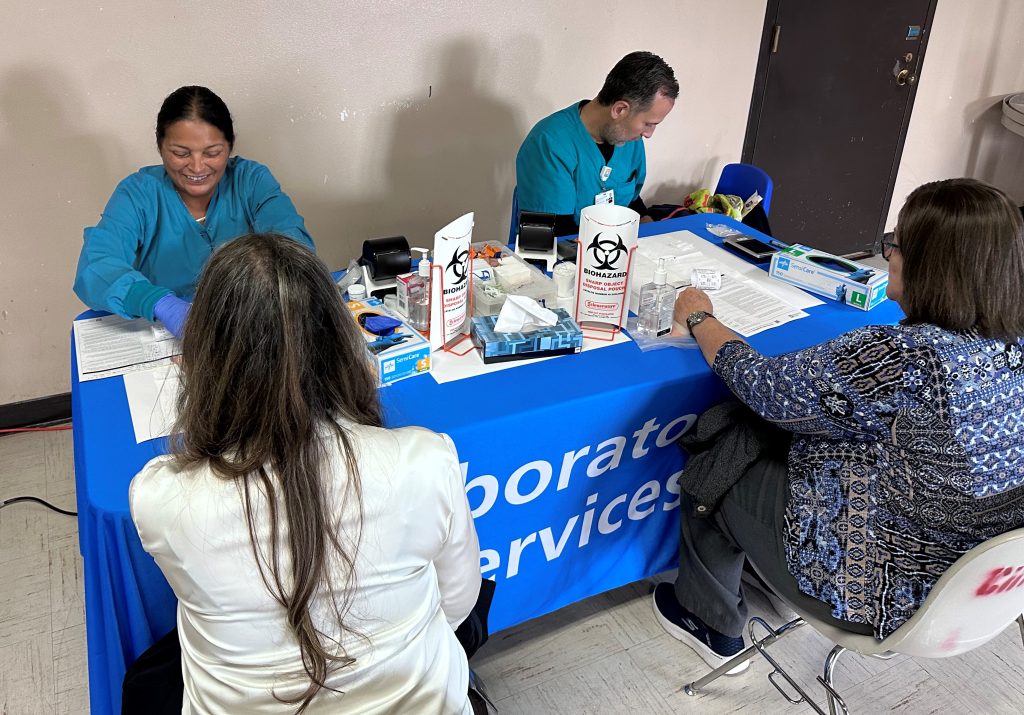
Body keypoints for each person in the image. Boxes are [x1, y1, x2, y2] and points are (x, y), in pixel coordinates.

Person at [653, 178, 1024, 673]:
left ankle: (709, 619)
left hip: (881, 586)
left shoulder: (904, 358)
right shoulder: (1012, 346)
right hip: (976, 583)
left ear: (929, 266)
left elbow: (765, 388)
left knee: (726, 441)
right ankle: (767, 568)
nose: (888, 255)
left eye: (896, 244)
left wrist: (700, 316)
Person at [128, 234, 483, 713]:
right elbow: (456, 602)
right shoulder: (425, 459)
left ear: (201, 359)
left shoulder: (159, 495)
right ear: (340, 342)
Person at [73, 86, 314, 338]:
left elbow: (292, 246)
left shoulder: (251, 181)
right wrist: (160, 304)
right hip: (168, 334)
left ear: (230, 146)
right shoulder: (138, 194)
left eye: (212, 153)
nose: (197, 167)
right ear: (160, 147)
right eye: (180, 153)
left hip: (251, 324)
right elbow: (97, 266)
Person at [515, 51, 678, 237]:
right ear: (620, 110)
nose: (648, 134)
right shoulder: (550, 143)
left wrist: (652, 231)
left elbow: (629, 200)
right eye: (648, 124)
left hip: (611, 249)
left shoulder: (630, 140)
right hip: (561, 254)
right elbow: (551, 238)